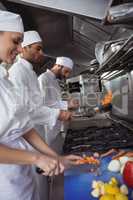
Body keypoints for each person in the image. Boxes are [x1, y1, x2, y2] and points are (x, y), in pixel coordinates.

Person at [0, 10, 81, 200]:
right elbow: (32, 110)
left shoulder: (4, 79)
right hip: (5, 180)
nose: (20, 49)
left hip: (21, 172)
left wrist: (54, 156)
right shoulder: (17, 73)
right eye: (16, 41)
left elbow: (23, 125)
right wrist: (37, 158)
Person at [9, 31, 72, 139]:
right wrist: (58, 113)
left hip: (38, 132)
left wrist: (64, 106)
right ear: (24, 48)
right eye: (38, 49)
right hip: (28, 136)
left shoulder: (31, 72)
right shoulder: (17, 72)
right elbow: (24, 109)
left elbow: (39, 103)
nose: (41, 53)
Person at [38, 57, 79, 146]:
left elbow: (54, 101)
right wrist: (67, 104)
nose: (67, 75)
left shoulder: (55, 82)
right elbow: (42, 103)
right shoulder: (43, 78)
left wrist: (67, 104)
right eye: (66, 71)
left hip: (56, 126)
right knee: (49, 149)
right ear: (59, 66)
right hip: (48, 127)